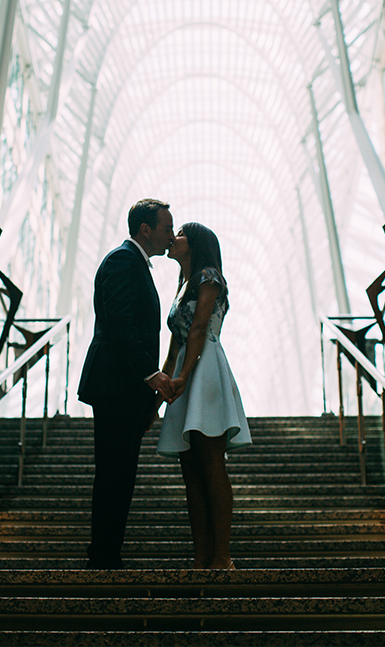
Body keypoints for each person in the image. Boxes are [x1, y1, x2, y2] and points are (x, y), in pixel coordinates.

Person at [78, 198, 177, 569]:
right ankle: (103, 557)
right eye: (166, 228)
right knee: (115, 474)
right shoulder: (123, 261)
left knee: (119, 473)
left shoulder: (132, 263)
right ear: (145, 229)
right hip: (117, 388)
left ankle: (106, 553)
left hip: (123, 389)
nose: (171, 235)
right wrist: (150, 375)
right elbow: (119, 323)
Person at [157, 222, 251, 569]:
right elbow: (174, 344)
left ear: (195, 244)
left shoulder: (208, 276)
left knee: (211, 463)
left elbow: (199, 327)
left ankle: (221, 555)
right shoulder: (183, 285)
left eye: (179, 234)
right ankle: (201, 556)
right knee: (191, 470)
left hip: (205, 367)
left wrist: (181, 376)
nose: (173, 238)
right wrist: (160, 394)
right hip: (186, 370)